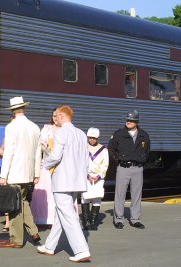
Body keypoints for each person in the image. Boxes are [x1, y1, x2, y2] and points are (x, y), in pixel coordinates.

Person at [37, 105, 91, 263]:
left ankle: (81, 250)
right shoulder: (81, 134)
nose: (55, 119)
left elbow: (55, 156)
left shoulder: (60, 132)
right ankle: (49, 246)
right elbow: (85, 159)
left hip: (62, 180)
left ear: (61, 116)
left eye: (56, 116)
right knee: (62, 214)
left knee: (67, 215)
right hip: (76, 180)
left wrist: (45, 164)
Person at [0, 96, 41, 249]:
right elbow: (38, 152)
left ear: (13, 110)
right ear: (24, 108)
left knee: (14, 205)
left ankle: (15, 239)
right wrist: (36, 174)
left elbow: (8, 152)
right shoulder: (35, 127)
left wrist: (3, 175)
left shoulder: (11, 127)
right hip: (28, 172)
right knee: (23, 202)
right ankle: (33, 231)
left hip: (15, 171)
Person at [108, 109, 150, 230]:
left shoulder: (144, 135)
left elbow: (147, 151)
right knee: (120, 194)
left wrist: (142, 161)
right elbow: (111, 149)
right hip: (123, 168)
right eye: (127, 119)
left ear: (136, 122)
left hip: (138, 168)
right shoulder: (118, 134)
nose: (128, 122)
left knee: (137, 195)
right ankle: (118, 219)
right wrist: (118, 160)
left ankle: (135, 219)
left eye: (131, 120)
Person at [30, 108, 59, 225]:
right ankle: (44, 217)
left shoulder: (65, 130)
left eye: (57, 116)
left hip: (61, 166)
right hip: (48, 164)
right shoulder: (47, 129)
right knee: (46, 192)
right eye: (54, 116)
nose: (55, 118)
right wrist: (48, 150)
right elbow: (40, 144)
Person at [81, 127, 109, 231]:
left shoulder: (104, 149)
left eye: (94, 138)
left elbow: (105, 164)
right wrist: (86, 175)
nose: (92, 140)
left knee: (97, 198)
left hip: (98, 177)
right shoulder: (83, 148)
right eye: (90, 138)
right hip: (86, 176)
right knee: (85, 198)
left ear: (98, 138)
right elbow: (80, 163)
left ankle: (93, 222)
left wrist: (99, 176)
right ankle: (86, 222)